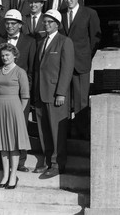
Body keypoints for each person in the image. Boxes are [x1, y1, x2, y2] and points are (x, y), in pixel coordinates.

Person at [33, 10, 74, 179]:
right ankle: (48, 161)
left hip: (55, 94)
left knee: (57, 130)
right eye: (45, 21)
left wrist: (61, 93)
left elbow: (67, 69)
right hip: (41, 93)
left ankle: (58, 163)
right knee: (44, 130)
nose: (46, 24)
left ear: (57, 24)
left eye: (50, 22)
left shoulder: (64, 42)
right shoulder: (41, 42)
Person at [60, 0, 101, 140]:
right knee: (64, 99)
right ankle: (67, 132)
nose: (69, 0)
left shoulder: (89, 13)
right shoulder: (60, 14)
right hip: (63, 63)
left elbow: (95, 38)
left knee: (81, 100)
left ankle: (81, 133)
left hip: (81, 63)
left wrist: (86, 55)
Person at [0, 43, 31, 189]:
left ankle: (13, 175)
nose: (5, 58)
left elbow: (25, 95)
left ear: (14, 55)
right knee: (3, 143)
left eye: (7, 55)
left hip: (15, 107)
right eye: (2, 55)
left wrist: (19, 112)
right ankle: (5, 176)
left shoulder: (20, 72)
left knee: (13, 144)